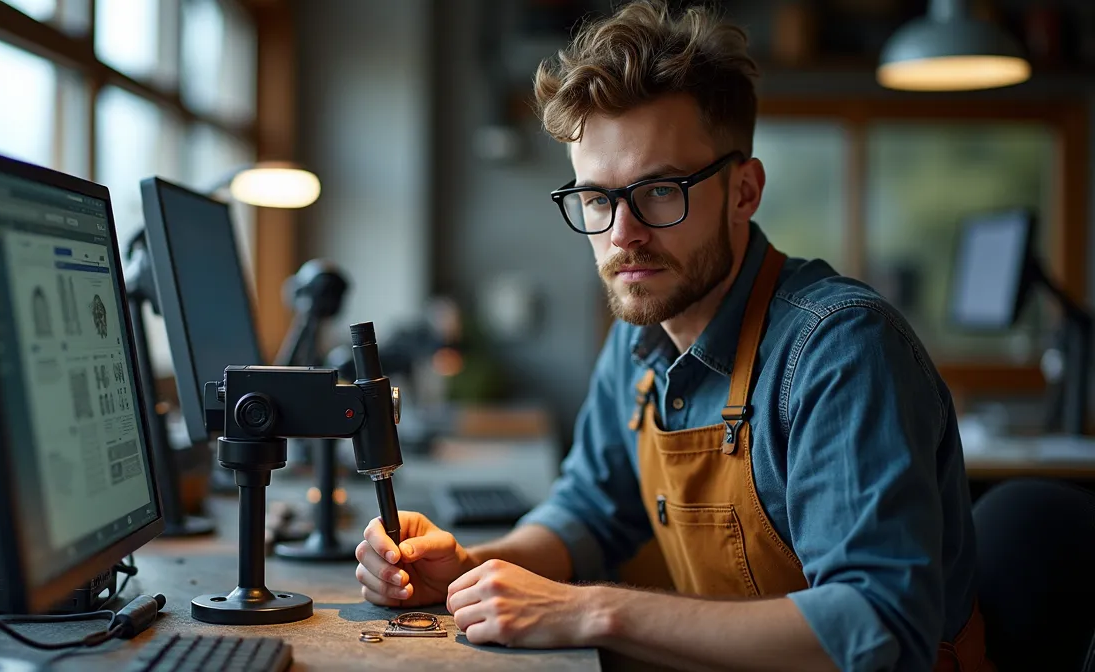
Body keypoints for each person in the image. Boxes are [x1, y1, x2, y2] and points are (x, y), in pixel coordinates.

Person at [353, 2, 990, 670]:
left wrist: (591, 610)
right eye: (598, 199)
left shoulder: (840, 350)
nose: (623, 234)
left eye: (659, 190)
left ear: (744, 191)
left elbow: (879, 628)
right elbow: (590, 512)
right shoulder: (639, 340)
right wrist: (472, 568)